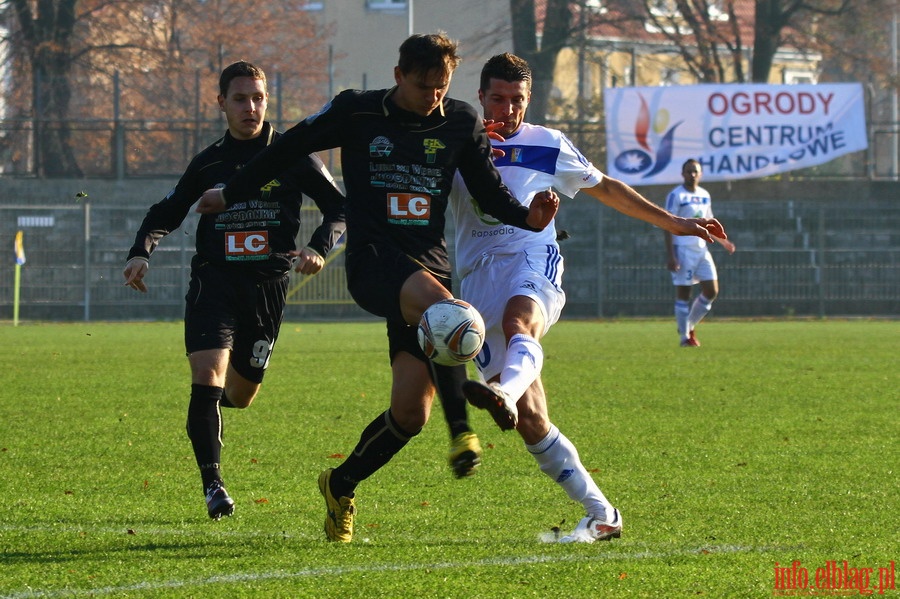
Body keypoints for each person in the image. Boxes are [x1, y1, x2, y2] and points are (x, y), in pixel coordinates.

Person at [195, 33, 559, 542]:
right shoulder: (357, 112)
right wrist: (229, 191)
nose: (434, 95)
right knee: (451, 314)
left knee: (409, 413)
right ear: (398, 76)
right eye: (424, 85)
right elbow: (290, 147)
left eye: (442, 86)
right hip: (373, 262)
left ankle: (340, 484)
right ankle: (462, 433)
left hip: (428, 268)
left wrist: (528, 216)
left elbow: (489, 192)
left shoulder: (459, 121)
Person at [448, 53, 730, 543]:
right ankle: (603, 514)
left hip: (532, 258)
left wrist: (678, 224)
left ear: (529, 99)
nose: (508, 109)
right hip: (476, 278)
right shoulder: (457, 144)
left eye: (517, 100)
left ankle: (503, 392)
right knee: (533, 423)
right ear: (481, 96)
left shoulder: (547, 144)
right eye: (498, 98)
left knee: (522, 323)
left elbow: (610, 190)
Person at [123, 61, 347, 520]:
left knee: (241, 395)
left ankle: (210, 415)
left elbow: (340, 209)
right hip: (215, 281)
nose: (251, 107)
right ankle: (213, 486)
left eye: (259, 98)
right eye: (241, 98)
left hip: (267, 286)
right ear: (221, 102)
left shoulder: (294, 154)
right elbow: (168, 210)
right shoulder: (209, 162)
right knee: (206, 379)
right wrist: (140, 251)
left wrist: (318, 247)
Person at [664, 159, 736, 347]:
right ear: (683, 174)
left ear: (700, 174)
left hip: (701, 250)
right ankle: (684, 338)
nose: (692, 175)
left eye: (695, 171)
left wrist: (724, 242)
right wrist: (671, 255)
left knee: (712, 291)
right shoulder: (676, 195)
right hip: (683, 250)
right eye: (689, 171)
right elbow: (667, 224)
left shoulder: (704, 195)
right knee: (684, 294)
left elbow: (710, 223)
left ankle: (687, 326)